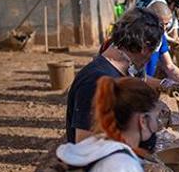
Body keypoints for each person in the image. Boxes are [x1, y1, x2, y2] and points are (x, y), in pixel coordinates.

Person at [66, 8, 163, 144]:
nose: (150, 57)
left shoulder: (120, 72)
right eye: (153, 51)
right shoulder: (96, 82)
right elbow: (85, 143)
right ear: (144, 47)